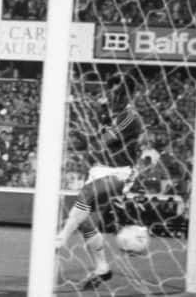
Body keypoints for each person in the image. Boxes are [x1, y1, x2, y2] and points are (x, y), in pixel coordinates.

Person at [55, 70, 143, 290]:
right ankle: (102, 267)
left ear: (128, 95)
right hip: (99, 170)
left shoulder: (129, 117)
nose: (113, 97)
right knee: (87, 222)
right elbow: (96, 140)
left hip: (120, 172)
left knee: (85, 196)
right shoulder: (108, 114)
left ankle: (60, 239)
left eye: (118, 94)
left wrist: (84, 135)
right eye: (111, 92)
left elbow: (104, 141)